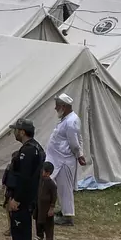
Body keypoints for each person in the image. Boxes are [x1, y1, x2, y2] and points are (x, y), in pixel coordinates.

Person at [1, 118, 45, 240]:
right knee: (25, 229)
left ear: (22, 131)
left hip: (23, 198)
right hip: (30, 197)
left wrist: (16, 199)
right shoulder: (36, 147)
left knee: (19, 230)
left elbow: (25, 178)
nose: (14, 133)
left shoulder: (27, 151)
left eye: (16, 130)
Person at [46, 93, 86, 226]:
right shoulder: (66, 119)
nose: (55, 108)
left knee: (65, 188)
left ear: (63, 106)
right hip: (58, 159)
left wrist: (79, 155)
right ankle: (64, 211)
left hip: (64, 160)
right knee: (60, 188)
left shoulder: (71, 121)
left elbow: (74, 142)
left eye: (57, 106)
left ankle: (68, 217)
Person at [34, 161, 57, 240]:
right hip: (39, 205)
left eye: (43, 171)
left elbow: (54, 196)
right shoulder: (40, 181)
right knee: (38, 221)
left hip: (47, 207)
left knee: (48, 224)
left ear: (47, 173)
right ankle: (39, 236)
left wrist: (52, 208)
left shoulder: (51, 184)